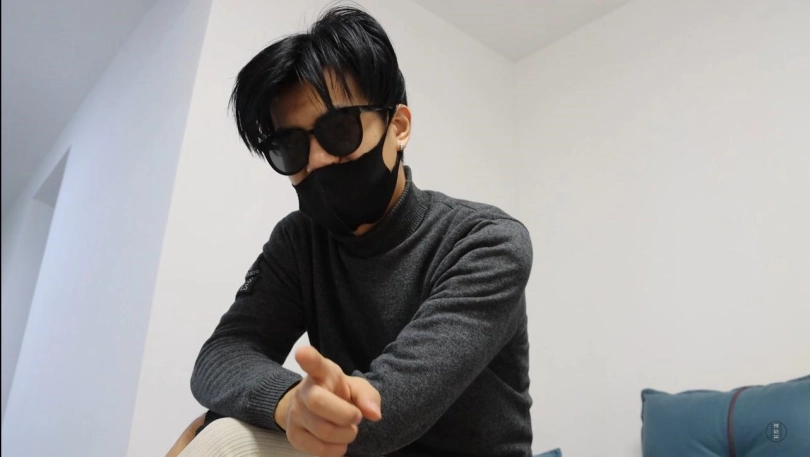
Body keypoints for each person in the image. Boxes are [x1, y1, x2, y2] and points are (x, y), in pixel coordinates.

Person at [172, 6, 534, 457]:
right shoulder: (299, 242)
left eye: (339, 130)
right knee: (224, 438)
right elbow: (221, 355)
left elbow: (380, 417)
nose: (317, 159)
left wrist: (256, 414)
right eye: (291, 146)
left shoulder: (485, 243)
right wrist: (286, 402)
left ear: (397, 127)